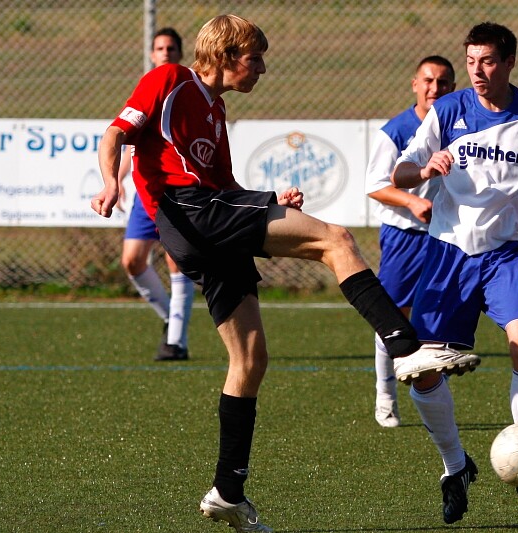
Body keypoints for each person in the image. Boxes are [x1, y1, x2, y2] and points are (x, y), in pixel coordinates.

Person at [91, 14, 480, 532]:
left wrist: (271, 199)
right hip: (190, 212)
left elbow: (227, 186)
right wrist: (110, 183)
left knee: (250, 361)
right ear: (226, 55)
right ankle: (405, 347)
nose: (262, 69)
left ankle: (228, 492)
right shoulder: (171, 79)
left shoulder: (216, 109)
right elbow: (115, 133)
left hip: (206, 221)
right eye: (255, 59)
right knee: (336, 240)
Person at [392, 22, 518, 523]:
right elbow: (400, 173)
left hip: (505, 255)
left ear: (509, 62)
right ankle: (455, 466)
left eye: (487, 61)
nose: (477, 71)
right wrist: (426, 169)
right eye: (471, 61)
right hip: (448, 254)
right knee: (424, 370)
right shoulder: (447, 110)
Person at [365, 56, 456, 428]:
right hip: (404, 237)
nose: (435, 88)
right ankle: (385, 397)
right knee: (393, 317)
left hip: (446, 237)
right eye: (428, 81)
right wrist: (412, 202)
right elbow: (375, 186)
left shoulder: (459, 124)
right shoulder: (396, 130)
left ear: (453, 87)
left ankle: (433, 398)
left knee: (439, 319)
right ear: (415, 84)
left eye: (443, 82)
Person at [117, 27, 195, 361]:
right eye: (159, 48)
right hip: (145, 191)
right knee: (132, 261)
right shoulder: (146, 86)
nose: (165, 52)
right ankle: (171, 319)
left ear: (180, 53)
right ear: (152, 54)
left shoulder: (187, 88)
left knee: (176, 258)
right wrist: (117, 179)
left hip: (178, 192)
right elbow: (129, 138)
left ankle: (175, 342)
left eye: (171, 48)